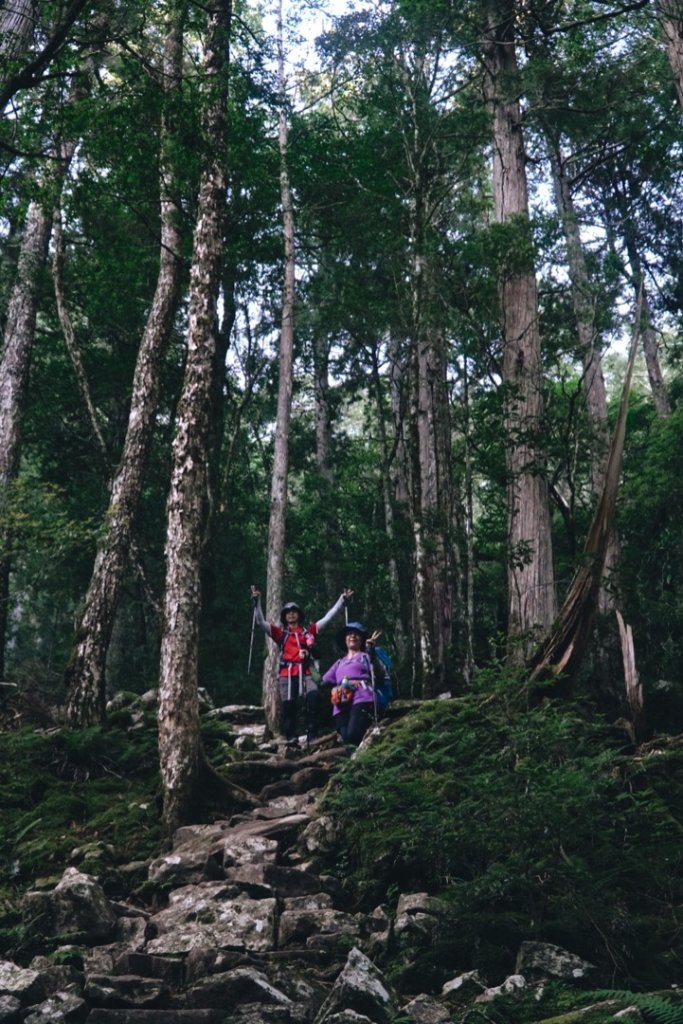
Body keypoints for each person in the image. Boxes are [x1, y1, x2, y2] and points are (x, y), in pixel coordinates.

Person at [250, 585, 353, 746]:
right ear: (284, 616)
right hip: (287, 673)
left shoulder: (309, 631)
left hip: (307, 671)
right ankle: (290, 737)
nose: (291, 613)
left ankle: (312, 735)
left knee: (313, 699)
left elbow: (328, 617)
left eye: (294, 611)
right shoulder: (280, 633)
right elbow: (260, 622)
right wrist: (257, 602)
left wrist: (342, 600)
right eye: (288, 612)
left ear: (299, 614)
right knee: (289, 706)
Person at [322, 621, 384, 747]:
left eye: (356, 634)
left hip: (362, 696)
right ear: (345, 640)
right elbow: (323, 680)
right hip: (341, 700)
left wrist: (371, 652)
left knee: (353, 734)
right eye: (349, 634)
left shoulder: (365, 657)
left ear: (362, 640)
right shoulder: (340, 662)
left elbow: (379, 673)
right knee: (345, 737)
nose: (352, 636)